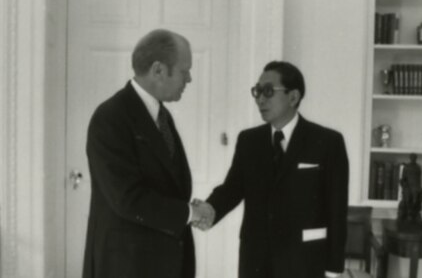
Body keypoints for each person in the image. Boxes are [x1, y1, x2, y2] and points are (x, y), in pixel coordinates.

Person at [194, 61, 349, 278]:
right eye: (257, 91)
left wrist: (334, 269)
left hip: (305, 261)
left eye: (268, 91)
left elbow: (337, 210)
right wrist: (209, 209)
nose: (260, 99)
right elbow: (232, 188)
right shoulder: (249, 140)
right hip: (256, 260)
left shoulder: (327, 142)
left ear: (293, 97)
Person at [83, 29, 213, 278]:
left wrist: (187, 209)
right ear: (158, 70)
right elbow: (127, 198)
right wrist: (189, 213)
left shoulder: (160, 115)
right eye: (185, 71)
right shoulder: (111, 117)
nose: (189, 79)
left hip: (162, 260)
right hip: (128, 265)